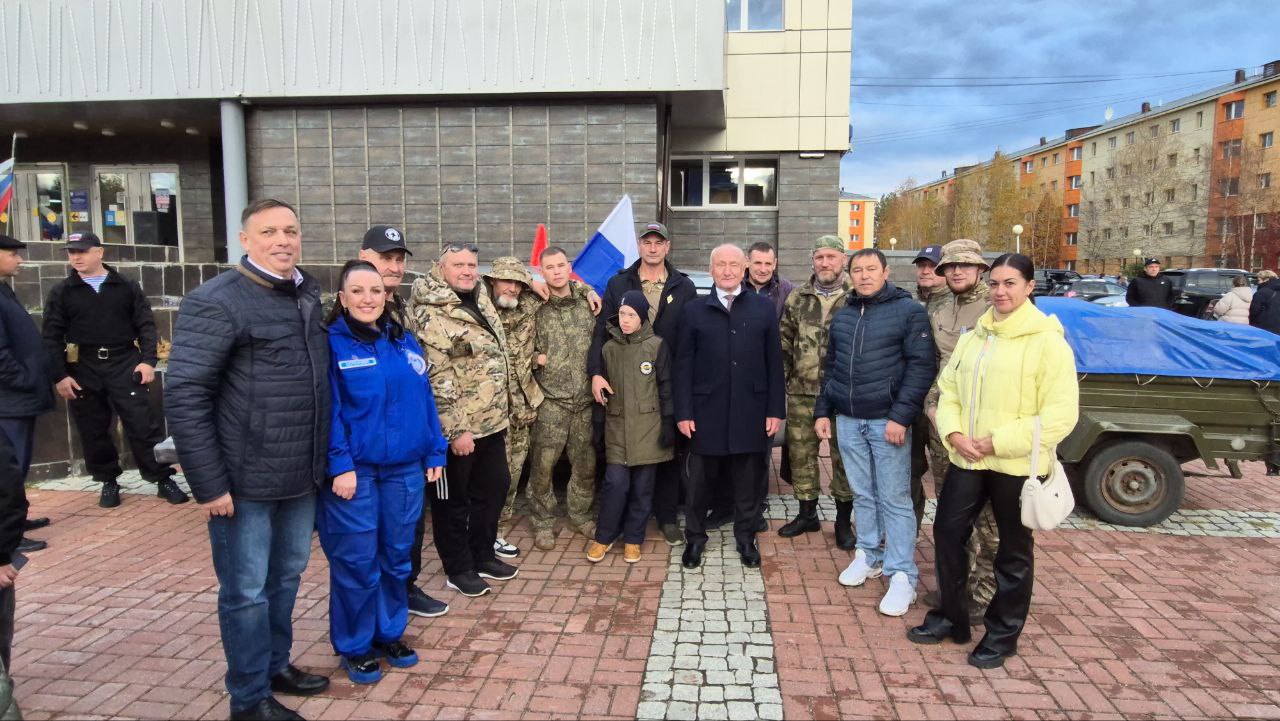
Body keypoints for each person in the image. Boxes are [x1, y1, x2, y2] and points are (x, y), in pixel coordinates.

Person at [165, 199, 331, 721]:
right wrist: (209, 484)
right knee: (245, 593)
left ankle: (275, 667)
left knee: (286, 579)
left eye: (290, 231)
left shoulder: (305, 294)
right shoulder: (217, 301)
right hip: (243, 484)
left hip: (299, 476)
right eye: (269, 232)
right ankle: (249, 698)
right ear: (245, 240)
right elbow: (186, 394)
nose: (282, 240)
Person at [908, 253, 1079, 670]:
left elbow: (1060, 416)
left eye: (1010, 283)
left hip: (1015, 466)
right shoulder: (976, 337)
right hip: (968, 458)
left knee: (1012, 552)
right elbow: (948, 390)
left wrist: (996, 442)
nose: (1001, 292)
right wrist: (953, 433)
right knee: (948, 533)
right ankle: (952, 617)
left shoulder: (1047, 342)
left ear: (1029, 287)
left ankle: (1002, 635)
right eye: (997, 284)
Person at [321, 261, 447, 685]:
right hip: (355, 473)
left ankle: (389, 633)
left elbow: (424, 399)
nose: (367, 298)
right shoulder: (331, 344)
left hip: (404, 470)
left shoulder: (403, 341)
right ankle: (356, 645)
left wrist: (435, 450)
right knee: (357, 561)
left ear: (386, 295)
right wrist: (339, 464)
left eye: (375, 290)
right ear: (343, 298)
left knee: (396, 558)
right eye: (357, 291)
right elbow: (329, 411)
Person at [815, 248, 935, 617]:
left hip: (887, 422)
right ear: (849, 274)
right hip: (849, 420)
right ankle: (869, 554)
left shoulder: (908, 312)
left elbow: (920, 367)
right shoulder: (845, 314)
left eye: (871, 269)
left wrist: (901, 416)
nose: (864, 275)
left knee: (895, 499)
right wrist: (823, 410)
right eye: (858, 270)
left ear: (885, 272)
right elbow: (832, 366)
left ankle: (902, 574)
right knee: (863, 494)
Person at [42, 232, 189, 508]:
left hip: (124, 361)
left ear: (100, 252)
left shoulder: (125, 285)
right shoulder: (63, 291)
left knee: (142, 423)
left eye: (82, 251)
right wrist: (60, 375)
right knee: (93, 427)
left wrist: (148, 361)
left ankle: (161, 478)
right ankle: (108, 480)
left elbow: (145, 324)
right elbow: (51, 336)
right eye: (72, 252)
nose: (76, 257)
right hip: (83, 364)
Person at [355, 225, 452, 620]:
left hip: (406, 442)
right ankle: (375, 609)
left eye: (398, 259)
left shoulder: (403, 308)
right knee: (367, 538)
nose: (394, 266)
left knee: (407, 527)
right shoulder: (343, 311)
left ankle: (403, 590)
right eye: (385, 258)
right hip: (367, 447)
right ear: (364, 258)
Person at [410, 243, 518, 598]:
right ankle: (458, 568)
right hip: (457, 431)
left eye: (472, 264)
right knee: (452, 503)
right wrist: (456, 430)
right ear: (440, 268)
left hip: (491, 422)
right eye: (458, 265)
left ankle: (482, 554)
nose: (468, 271)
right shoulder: (430, 312)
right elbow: (436, 376)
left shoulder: (480, 297)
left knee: (495, 488)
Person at [675, 244, 784, 569]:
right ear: (711, 270)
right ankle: (695, 539)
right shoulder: (694, 310)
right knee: (698, 486)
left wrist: (775, 410)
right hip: (705, 413)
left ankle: (746, 538)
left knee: (748, 483)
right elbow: (683, 365)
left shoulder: (763, 308)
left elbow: (774, 363)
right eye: (720, 265)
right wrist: (684, 412)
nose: (727, 270)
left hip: (752, 411)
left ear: (744, 268)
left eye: (734, 264)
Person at [589, 222, 697, 546]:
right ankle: (620, 522)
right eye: (647, 242)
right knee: (622, 462)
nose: (652, 248)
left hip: (668, 383)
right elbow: (602, 330)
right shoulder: (619, 282)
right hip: (626, 385)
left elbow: (691, 338)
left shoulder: (684, 286)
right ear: (639, 245)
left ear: (667, 247)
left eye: (658, 242)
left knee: (667, 453)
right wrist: (596, 372)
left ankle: (666, 518)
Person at [921, 239, 996, 623]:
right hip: (943, 427)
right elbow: (937, 365)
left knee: (988, 520)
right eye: (950, 266)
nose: (957, 271)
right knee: (951, 513)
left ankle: (985, 593)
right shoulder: (941, 308)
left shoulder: (996, 307)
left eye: (965, 265)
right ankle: (957, 584)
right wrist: (931, 408)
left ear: (980, 269)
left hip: (982, 430)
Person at [0, 234, 56, 678]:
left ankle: (16, 523)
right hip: (10, 400)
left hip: (21, 398)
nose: (19, 259)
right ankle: (9, 537)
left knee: (17, 469)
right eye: (12, 253)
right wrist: (24, 378)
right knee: (10, 467)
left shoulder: (6, 290)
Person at [776, 236, 854, 547]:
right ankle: (806, 514)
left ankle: (843, 521)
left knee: (843, 458)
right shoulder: (798, 297)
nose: (825, 263)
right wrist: (782, 385)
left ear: (843, 259)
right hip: (802, 393)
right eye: (820, 257)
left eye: (831, 257)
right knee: (801, 455)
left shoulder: (855, 296)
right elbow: (784, 343)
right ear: (812, 260)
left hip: (842, 394)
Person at [587, 291, 674, 563]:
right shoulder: (608, 349)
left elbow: (666, 388)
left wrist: (668, 424)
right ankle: (604, 536)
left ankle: (634, 539)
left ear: (642, 318)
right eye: (622, 314)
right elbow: (600, 392)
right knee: (615, 484)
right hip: (617, 427)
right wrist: (599, 428)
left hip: (649, 428)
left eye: (632, 315)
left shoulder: (656, 346)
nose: (625, 320)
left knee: (642, 488)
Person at [528, 247, 598, 551]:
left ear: (569, 267)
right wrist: (536, 358)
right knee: (542, 467)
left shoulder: (587, 302)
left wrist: (587, 288)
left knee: (586, 466)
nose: (556, 272)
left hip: (584, 402)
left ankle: (580, 516)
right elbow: (514, 345)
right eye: (549, 267)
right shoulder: (533, 306)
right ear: (540, 271)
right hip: (551, 403)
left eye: (560, 265)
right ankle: (543, 521)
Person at [483, 257, 546, 556]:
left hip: (521, 409)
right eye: (506, 280)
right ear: (492, 281)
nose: (512, 288)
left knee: (511, 476)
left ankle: (497, 532)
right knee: (487, 478)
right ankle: (478, 532)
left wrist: (585, 291)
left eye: (518, 282)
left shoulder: (528, 307)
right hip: (487, 412)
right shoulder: (478, 309)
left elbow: (564, 287)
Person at [908, 244, 946, 530]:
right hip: (914, 402)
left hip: (943, 405)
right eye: (921, 265)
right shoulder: (915, 305)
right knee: (909, 470)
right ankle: (908, 529)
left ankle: (952, 539)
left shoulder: (955, 305)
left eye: (933, 266)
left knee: (947, 476)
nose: (925, 271)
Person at [744, 241, 795, 319]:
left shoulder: (788, 290)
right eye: (758, 263)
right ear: (747, 262)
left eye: (768, 264)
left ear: (774, 264)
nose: (763, 270)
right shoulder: (735, 286)